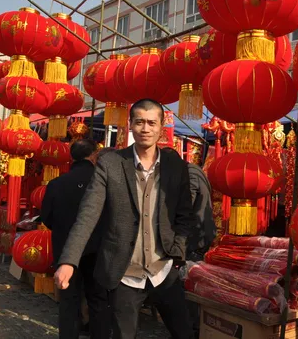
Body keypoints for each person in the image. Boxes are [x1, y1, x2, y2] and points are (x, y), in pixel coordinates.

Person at [55, 98, 195, 339]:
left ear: (161, 126)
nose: (145, 128)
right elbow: (88, 214)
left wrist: (178, 251)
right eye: (139, 121)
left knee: (184, 332)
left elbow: (184, 214)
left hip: (164, 270)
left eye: (152, 123)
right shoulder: (111, 163)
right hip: (124, 274)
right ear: (130, 124)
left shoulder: (175, 165)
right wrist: (69, 260)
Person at [40, 140, 111, 339]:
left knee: (69, 300)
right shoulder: (102, 181)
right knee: (98, 298)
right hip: (98, 249)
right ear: (94, 155)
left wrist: (64, 230)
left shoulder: (57, 183)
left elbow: (46, 216)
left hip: (65, 250)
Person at [185, 162, 216, 261]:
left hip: (196, 236)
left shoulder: (190, 173)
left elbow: (186, 204)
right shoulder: (195, 170)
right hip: (200, 233)